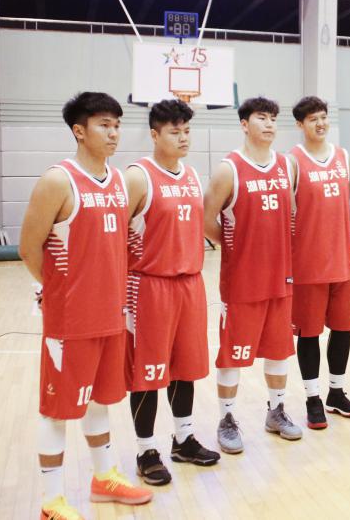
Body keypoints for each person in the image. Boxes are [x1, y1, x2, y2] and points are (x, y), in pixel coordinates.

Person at [19, 92, 152, 519]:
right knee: (57, 410)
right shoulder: (58, 181)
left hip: (111, 315)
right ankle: (51, 501)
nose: (114, 133)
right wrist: (61, 290)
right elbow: (28, 248)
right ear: (79, 131)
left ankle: (103, 478)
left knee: (100, 401)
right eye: (103, 125)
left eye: (117, 125)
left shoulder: (120, 182)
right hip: (71, 321)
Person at [125, 100, 219, 485]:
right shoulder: (138, 177)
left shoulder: (192, 175)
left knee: (186, 366)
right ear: (154, 134)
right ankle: (146, 450)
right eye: (174, 132)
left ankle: (183, 439)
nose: (183, 138)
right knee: (147, 373)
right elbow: (114, 236)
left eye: (187, 131)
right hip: (150, 285)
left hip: (190, 283)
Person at [205, 97, 301, 454]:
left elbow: (291, 213)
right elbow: (205, 219)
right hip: (242, 282)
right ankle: (227, 418)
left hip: (280, 277)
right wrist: (235, 245)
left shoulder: (287, 165)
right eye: (261, 118)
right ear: (244, 124)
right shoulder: (228, 169)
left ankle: (276, 411)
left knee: (278, 350)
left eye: (273, 118)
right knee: (233, 354)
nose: (270, 124)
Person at [289, 96, 350, 431]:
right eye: (312, 119)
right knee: (309, 333)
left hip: (343, 261)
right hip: (308, 264)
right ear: (300, 125)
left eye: (323, 117)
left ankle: (336, 392)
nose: (320, 123)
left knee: (343, 328)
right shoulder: (292, 161)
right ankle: (312, 398)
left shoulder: (344, 156)